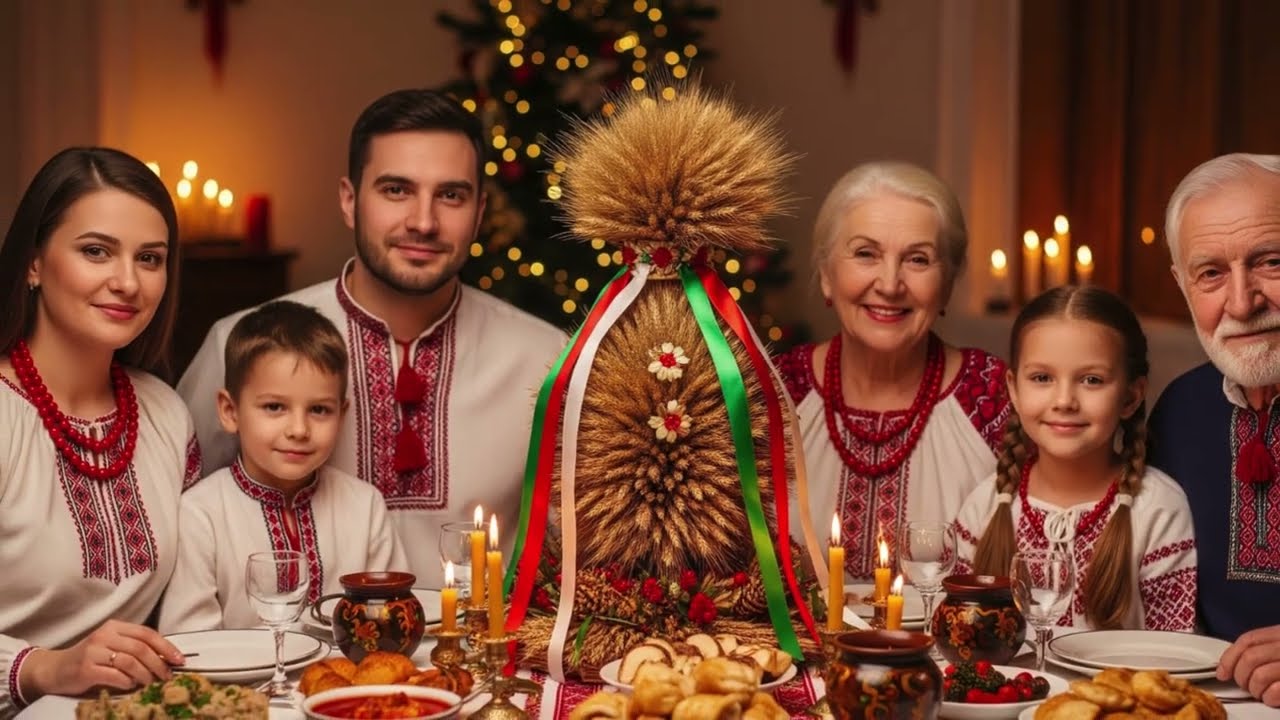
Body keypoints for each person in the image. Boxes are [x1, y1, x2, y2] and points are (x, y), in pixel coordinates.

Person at [178, 89, 567, 585]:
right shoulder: (237, 343)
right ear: (349, 200)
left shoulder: (545, 358)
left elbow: (578, 557)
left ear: (479, 211)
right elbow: (178, 521)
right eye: (396, 190)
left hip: (481, 656)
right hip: (291, 654)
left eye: (451, 195)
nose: (423, 222)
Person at [0, 148, 200, 714]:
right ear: (34, 262)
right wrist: (47, 667)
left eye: (151, 258)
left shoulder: (165, 410)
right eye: (96, 252)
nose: (128, 282)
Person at [775, 161, 1010, 578]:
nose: (889, 283)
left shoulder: (996, 398)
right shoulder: (773, 394)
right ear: (827, 274)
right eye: (865, 253)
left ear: (948, 284)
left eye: (918, 259)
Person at [955, 286, 1196, 630]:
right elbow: (964, 638)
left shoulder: (1158, 509)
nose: (1065, 400)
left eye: (1091, 380)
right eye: (1042, 378)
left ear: (1130, 396)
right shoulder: (985, 506)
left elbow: (1173, 652)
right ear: (1014, 389)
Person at [159, 301, 407, 632]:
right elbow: (190, 644)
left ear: (342, 414)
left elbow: (393, 619)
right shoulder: (200, 513)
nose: (299, 430)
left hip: (348, 682)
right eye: (275, 407)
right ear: (230, 411)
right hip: (239, 683)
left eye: (319, 410)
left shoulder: (365, 506)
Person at [1149, 153, 1280, 705]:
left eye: (1271, 262)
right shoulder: (1178, 411)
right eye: (1211, 273)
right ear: (1182, 285)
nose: (1242, 301)